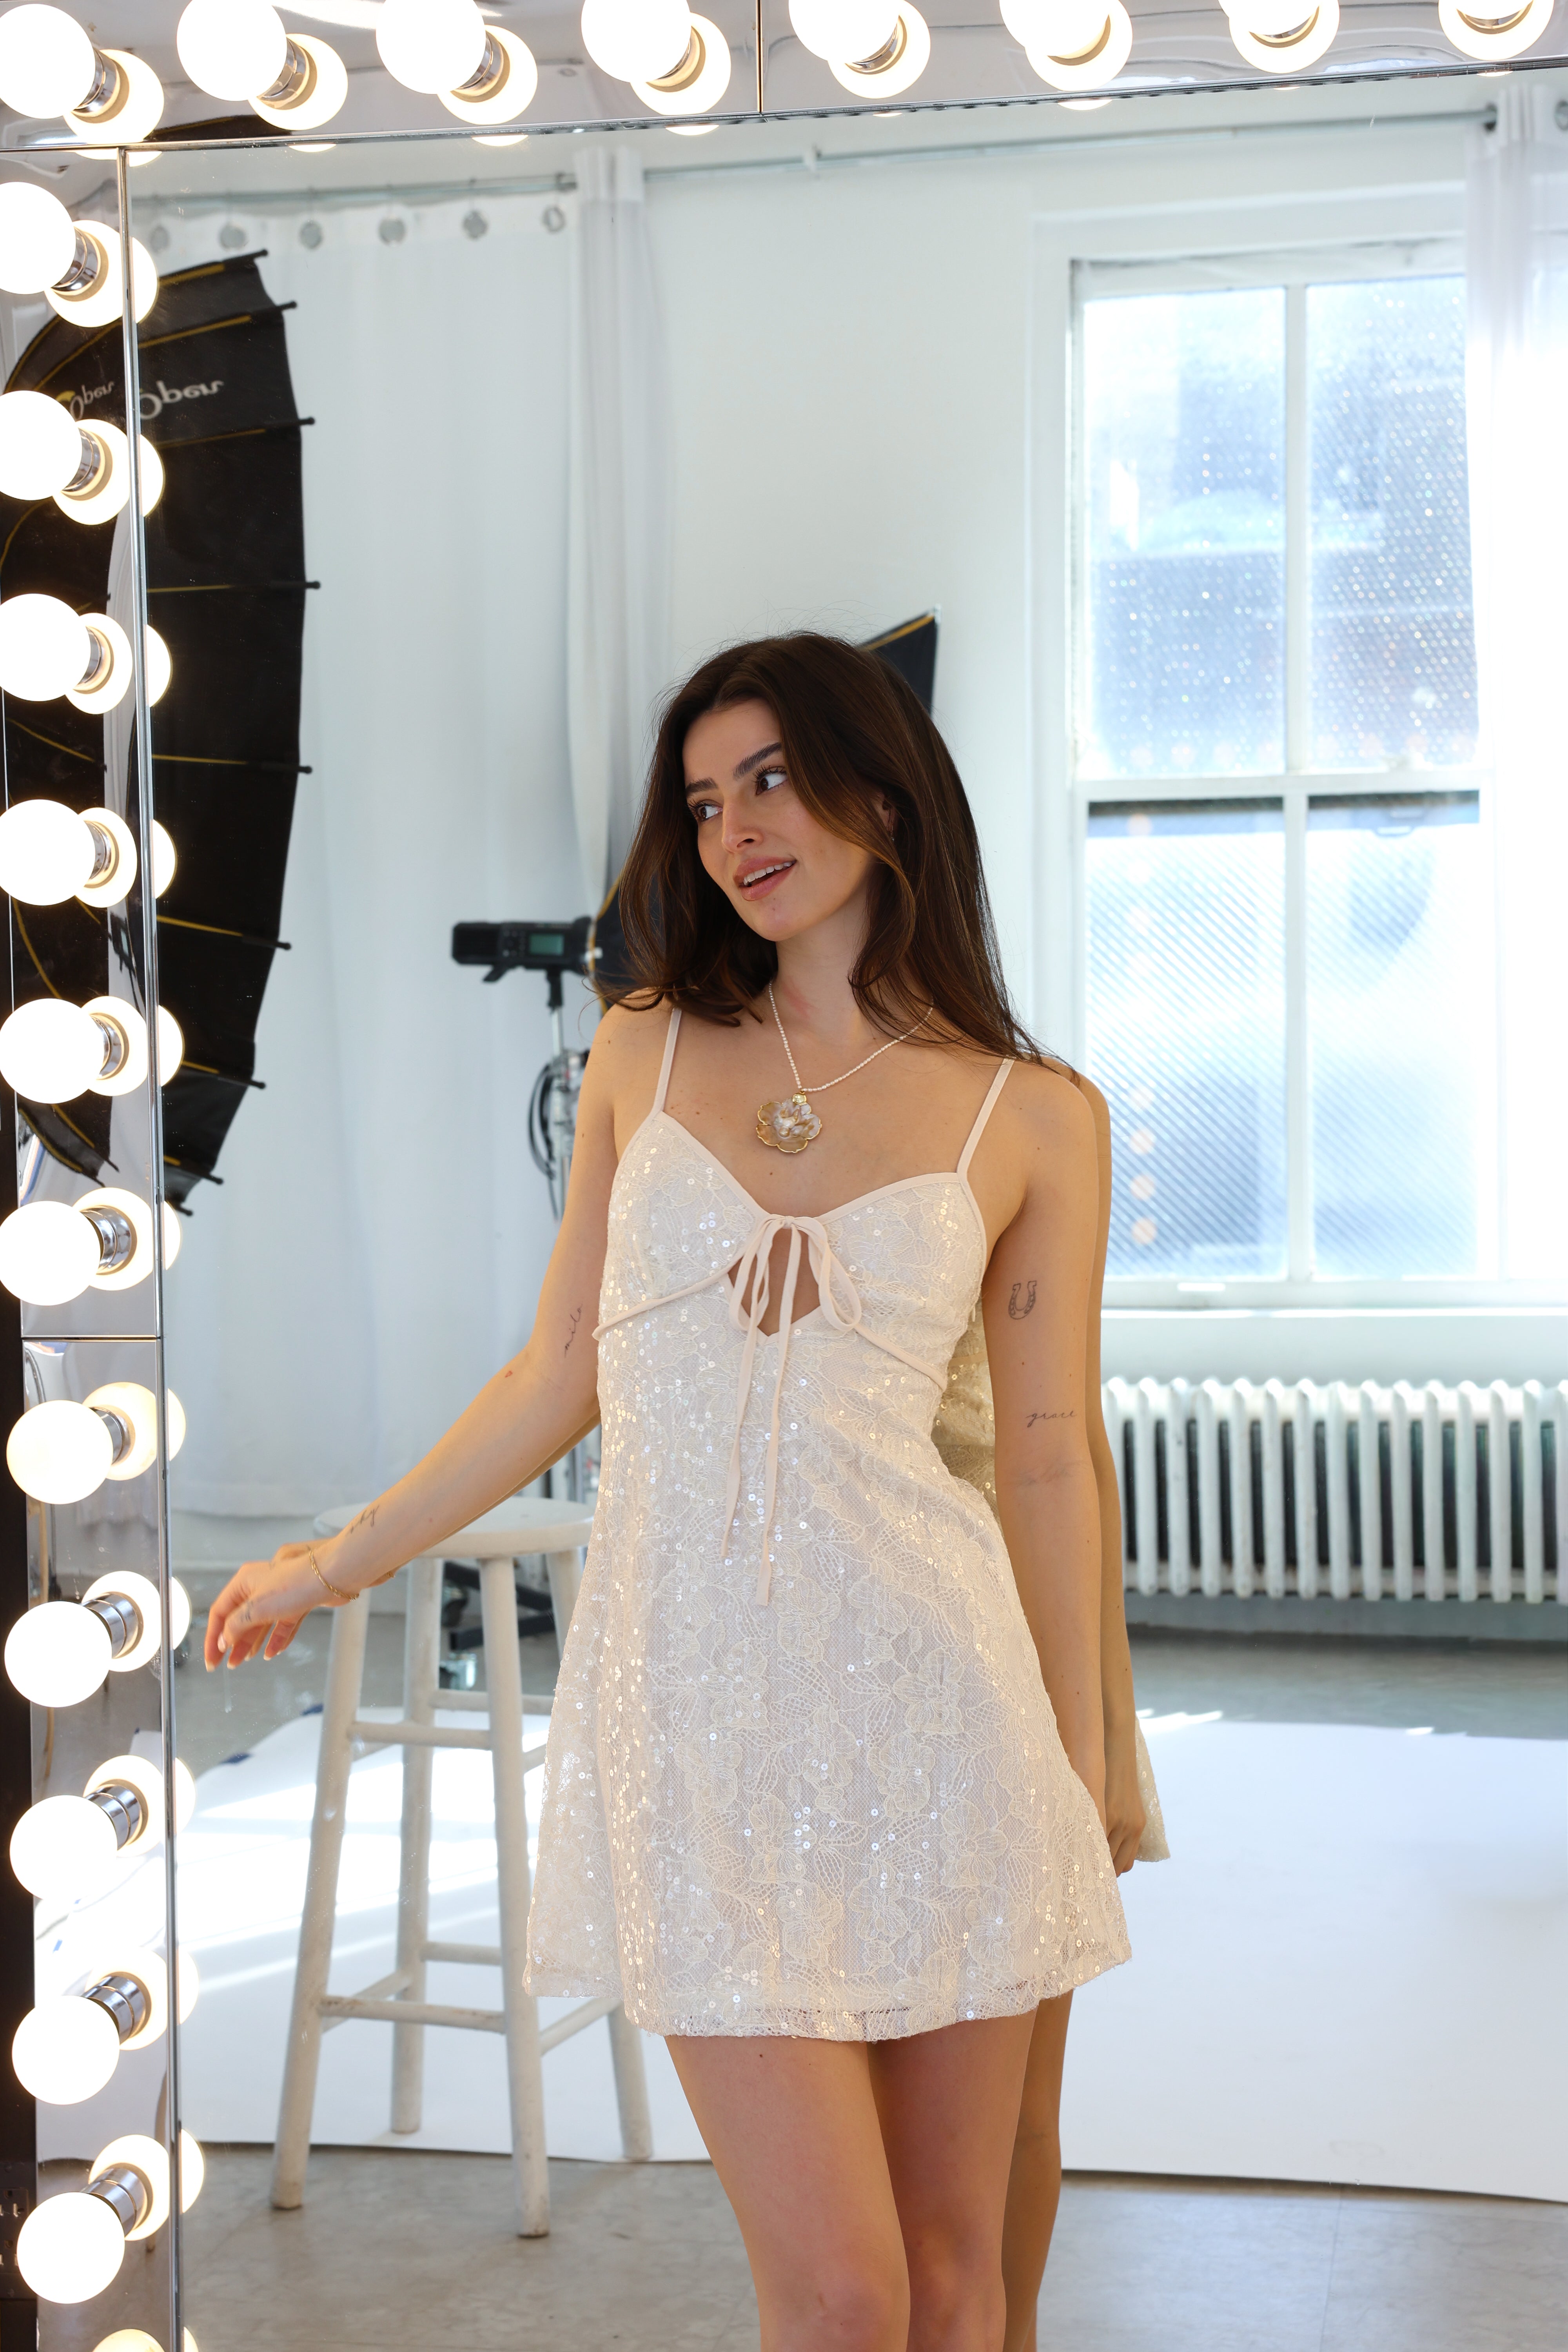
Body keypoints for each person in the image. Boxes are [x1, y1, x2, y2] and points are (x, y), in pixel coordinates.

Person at [206, 634, 1132, 2352]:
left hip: (947, 1724)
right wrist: (343, 1559)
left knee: (956, 2279)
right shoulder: (643, 1048)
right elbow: (553, 1372)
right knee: (843, 2294)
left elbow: (1046, 1458)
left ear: (883, 793)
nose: (734, 830)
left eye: (770, 779)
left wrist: (1079, 1773)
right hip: (698, 1730)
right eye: (704, 803)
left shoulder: (1037, 1116)